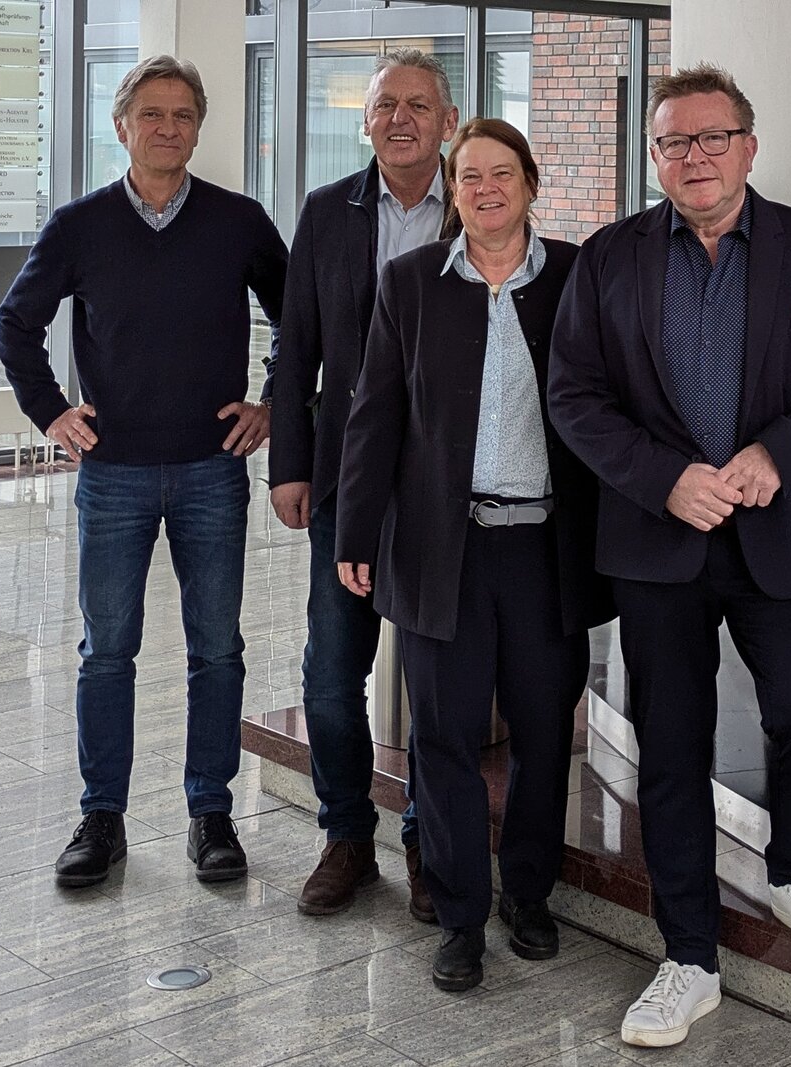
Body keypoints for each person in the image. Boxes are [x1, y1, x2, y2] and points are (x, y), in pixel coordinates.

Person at [547, 64, 791, 1046]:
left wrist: (775, 454)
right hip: (656, 541)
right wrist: (663, 476)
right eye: (674, 142)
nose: (694, 157)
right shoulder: (610, 259)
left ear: (749, 146)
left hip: (781, 534)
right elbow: (573, 395)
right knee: (670, 745)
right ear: (654, 157)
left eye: (713, 138)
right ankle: (687, 955)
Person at [0, 55, 286, 889]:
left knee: (217, 650)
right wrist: (51, 409)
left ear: (199, 126)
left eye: (183, 115)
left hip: (211, 470)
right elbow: (17, 324)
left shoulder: (238, 221)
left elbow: (299, 315)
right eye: (151, 115)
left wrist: (270, 401)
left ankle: (211, 812)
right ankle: (102, 816)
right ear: (121, 126)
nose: (168, 129)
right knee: (106, 650)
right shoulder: (80, 225)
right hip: (114, 472)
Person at [336, 117, 611, 991]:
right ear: (453, 194)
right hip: (438, 549)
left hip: (545, 548)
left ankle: (528, 895)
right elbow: (375, 414)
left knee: (540, 730)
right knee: (444, 737)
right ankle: (458, 916)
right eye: (468, 176)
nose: (484, 188)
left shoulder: (575, 277)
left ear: (531, 182)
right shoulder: (411, 281)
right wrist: (355, 533)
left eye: (501, 172)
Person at [267, 48, 459, 921]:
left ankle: (425, 840)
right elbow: (295, 346)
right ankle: (348, 835)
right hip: (345, 479)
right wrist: (290, 465)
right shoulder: (326, 212)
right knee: (333, 673)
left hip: (449, 488)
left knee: (433, 680)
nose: (401, 119)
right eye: (386, 106)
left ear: (447, 121)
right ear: (367, 121)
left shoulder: (483, 204)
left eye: (419, 105)